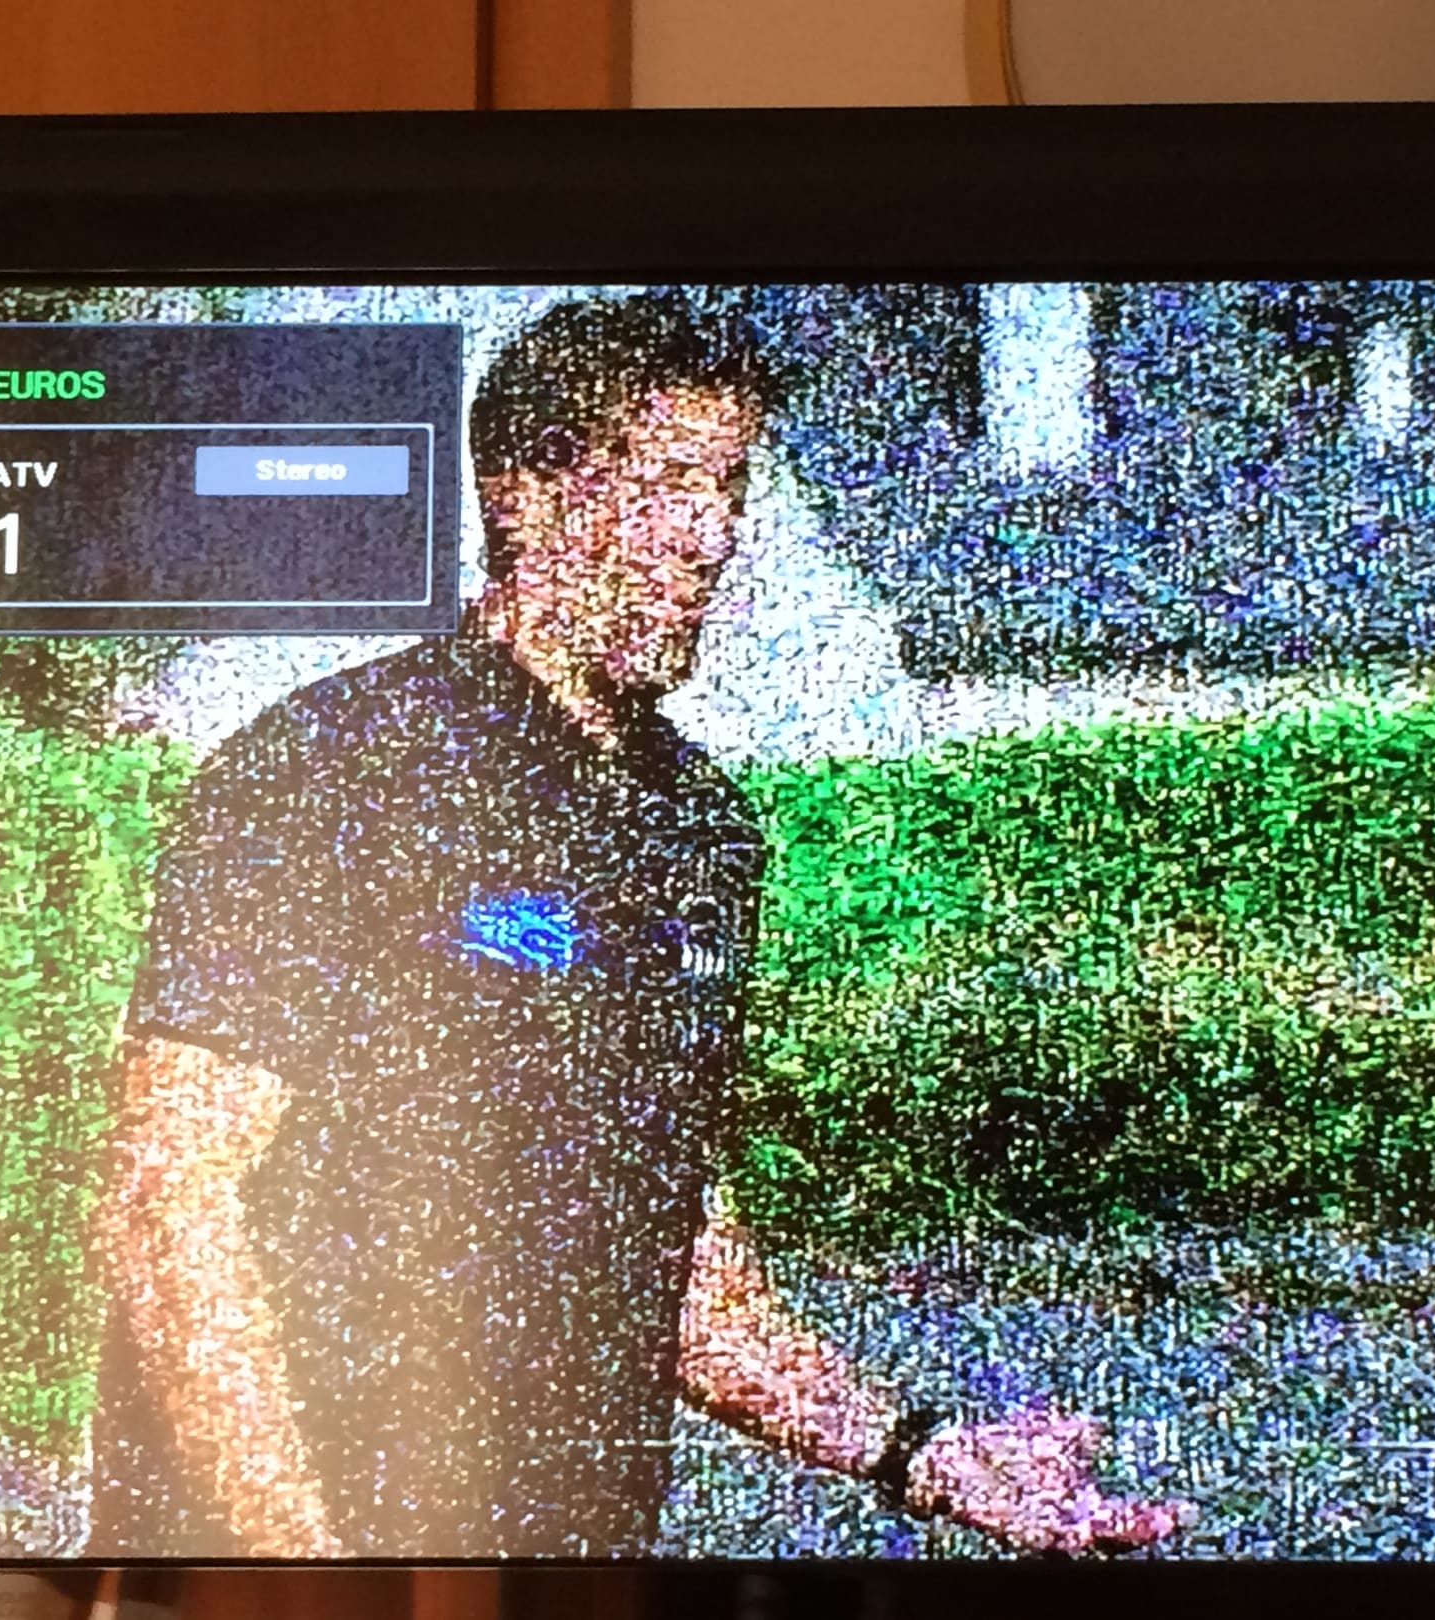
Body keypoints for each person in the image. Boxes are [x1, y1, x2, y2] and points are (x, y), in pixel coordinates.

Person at [88, 292, 1183, 1560]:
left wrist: (921, 1454)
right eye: (667, 485)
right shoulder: (337, 769)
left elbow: (683, 1273)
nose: (711, 538)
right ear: (524, 497)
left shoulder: (702, 830)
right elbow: (168, 1199)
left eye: (730, 489)